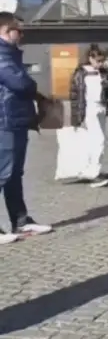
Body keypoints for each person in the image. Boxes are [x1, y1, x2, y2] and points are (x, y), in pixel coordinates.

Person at [0, 12, 52, 243]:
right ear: (4, 31)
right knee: (4, 173)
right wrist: (32, 85)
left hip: (16, 120)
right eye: (18, 30)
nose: (21, 35)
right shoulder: (2, 55)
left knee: (14, 174)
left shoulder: (10, 54)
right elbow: (19, 82)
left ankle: (21, 221)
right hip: (5, 121)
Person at [68, 45, 108, 188]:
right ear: (90, 58)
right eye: (98, 60)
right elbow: (75, 96)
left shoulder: (104, 73)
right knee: (98, 140)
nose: (101, 63)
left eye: (102, 60)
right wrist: (77, 117)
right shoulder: (80, 73)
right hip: (89, 110)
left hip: (101, 108)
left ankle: (90, 169)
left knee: (96, 140)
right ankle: (94, 173)